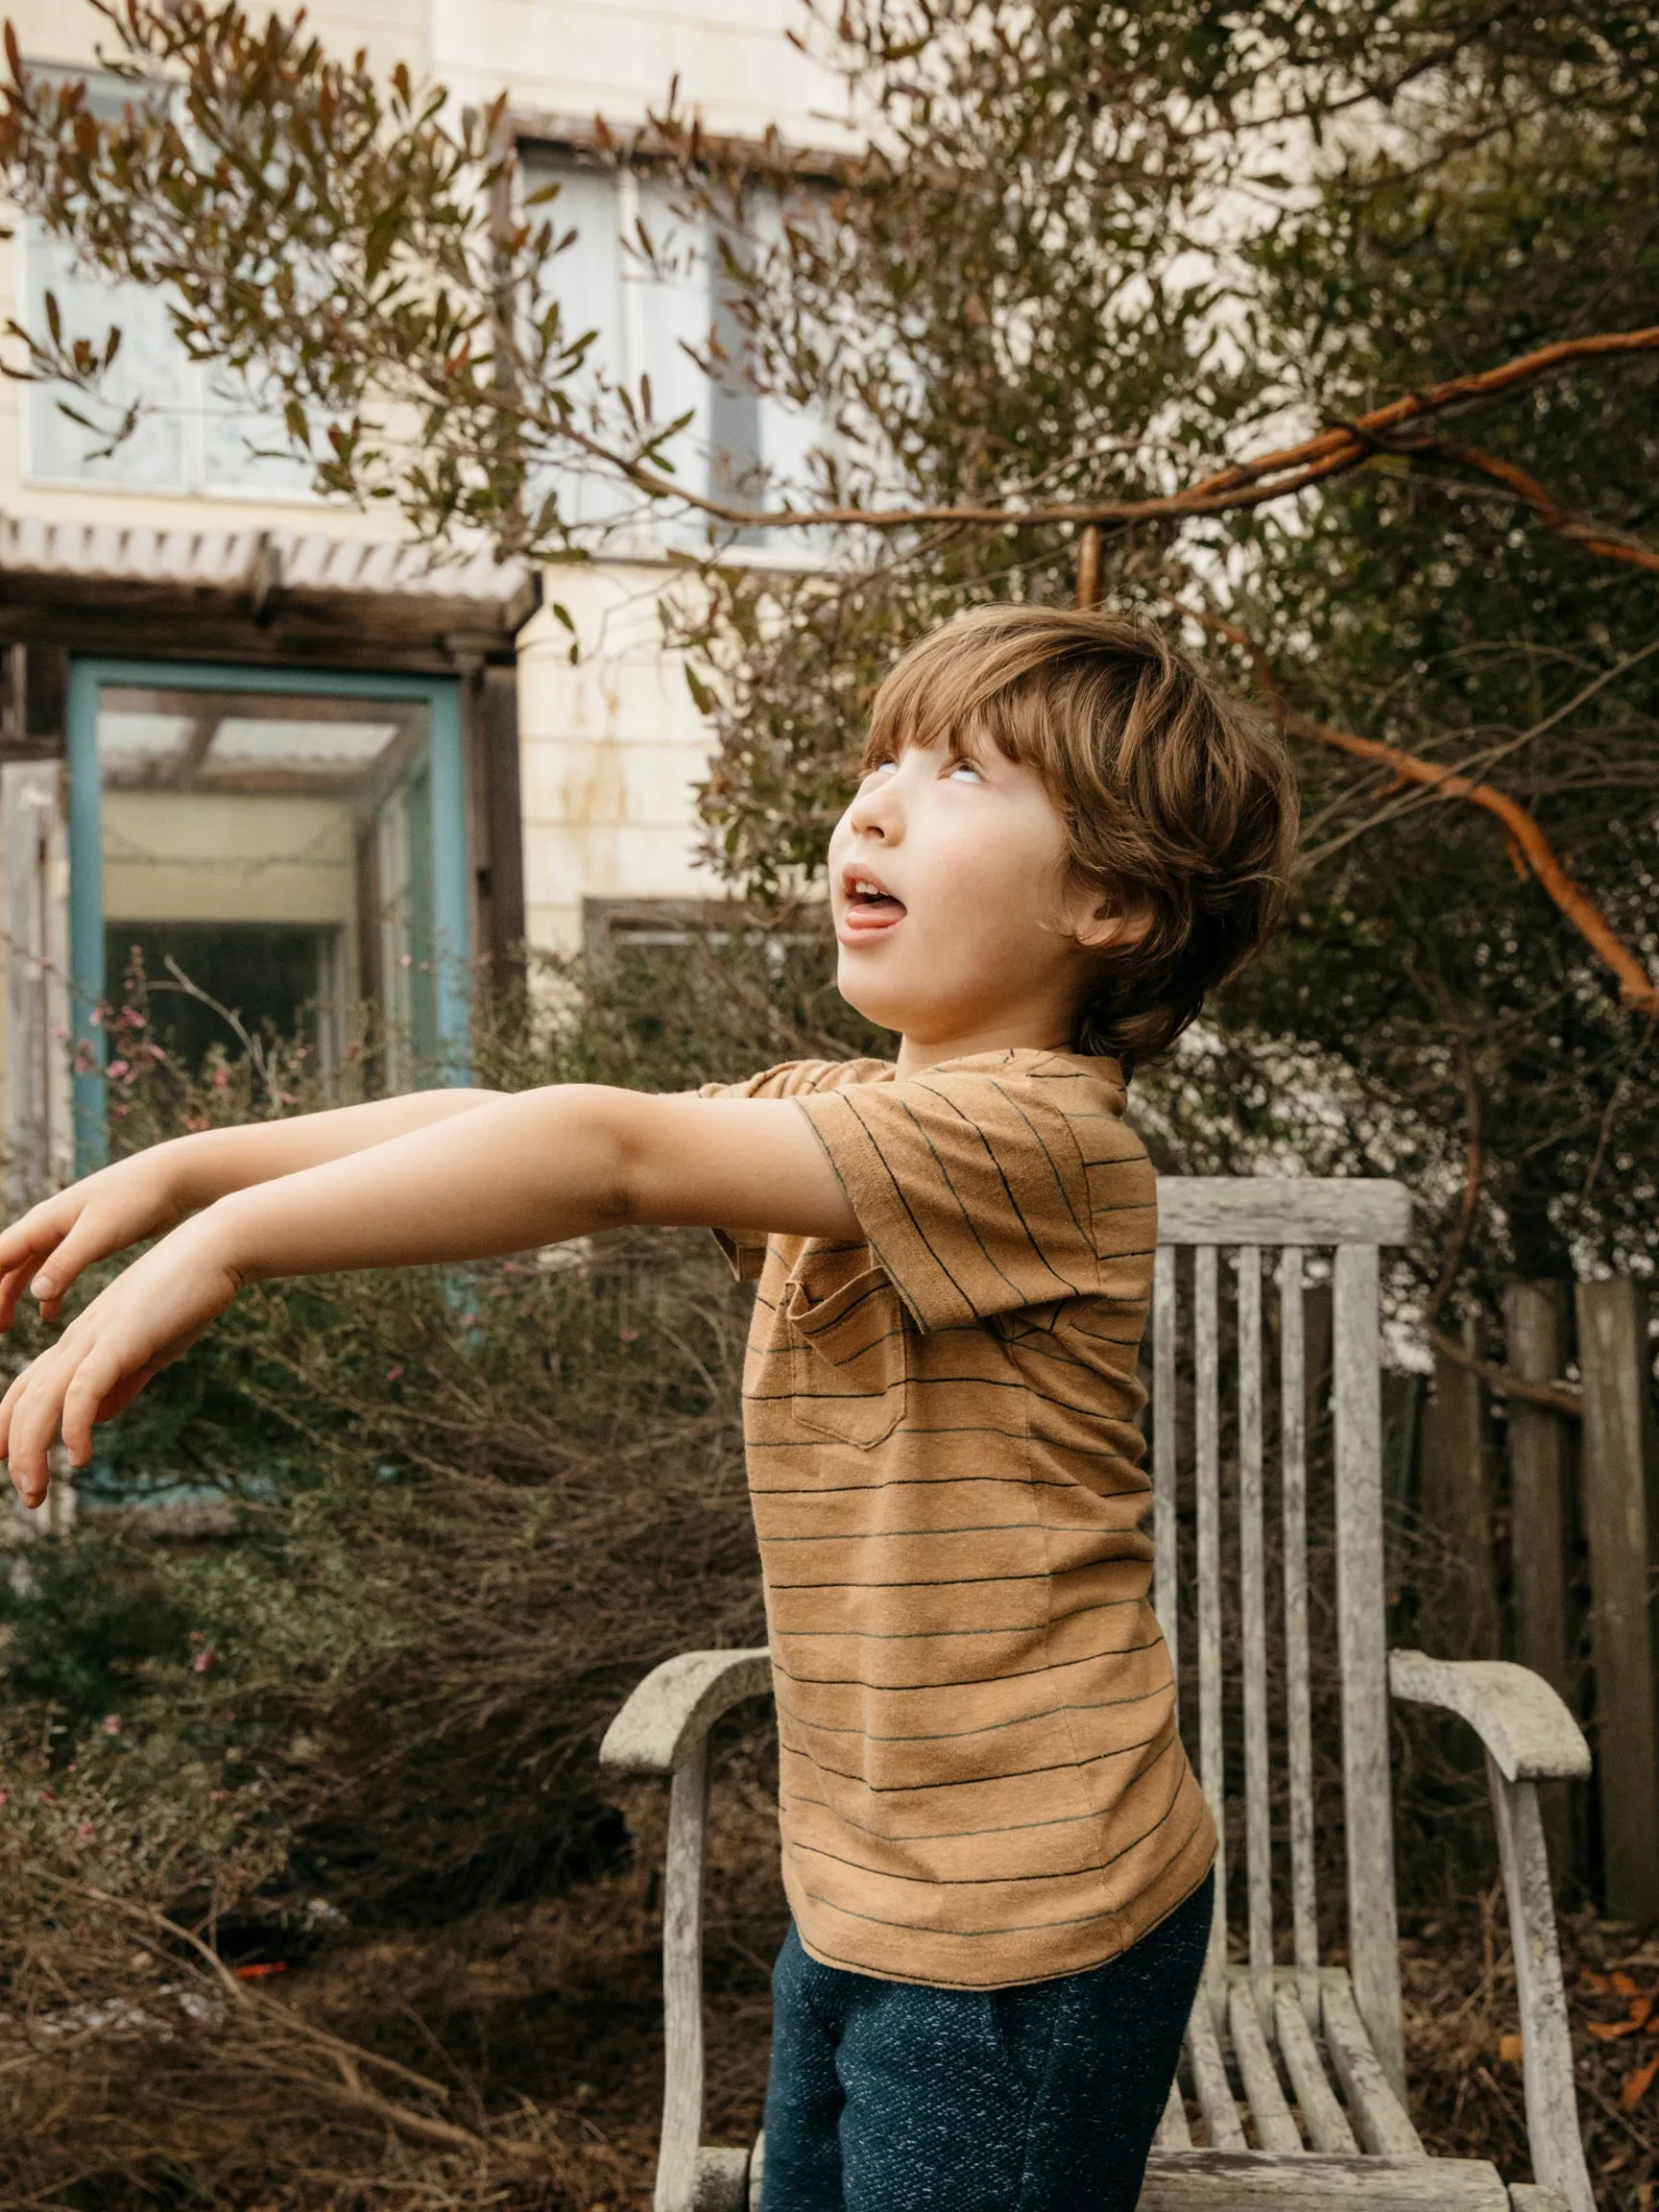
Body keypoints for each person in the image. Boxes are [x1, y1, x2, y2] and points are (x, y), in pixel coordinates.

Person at [0, 605, 1295, 2212]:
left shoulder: (1039, 1142)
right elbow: (511, 1121)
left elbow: (603, 1154)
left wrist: (233, 1247)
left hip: (1023, 1927)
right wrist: (185, 1166)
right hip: (869, 1889)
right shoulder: (854, 1115)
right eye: (878, 763)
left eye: (960, 775)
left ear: (1110, 899)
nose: (874, 806)